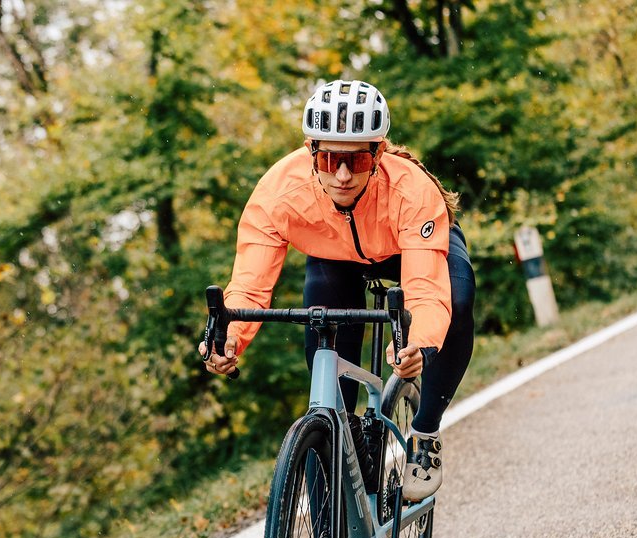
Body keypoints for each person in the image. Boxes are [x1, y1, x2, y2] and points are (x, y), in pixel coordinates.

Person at [199, 78, 475, 504]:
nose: (343, 175)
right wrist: (231, 338)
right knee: (328, 365)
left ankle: (425, 433)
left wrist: (419, 342)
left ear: (378, 153)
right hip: (335, 256)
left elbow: (423, 289)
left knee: (456, 300)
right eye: (329, 159)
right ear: (311, 151)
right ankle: (336, 451)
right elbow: (250, 287)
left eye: (357, 159)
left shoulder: (412, 190)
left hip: (409, 247)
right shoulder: (279, 193)